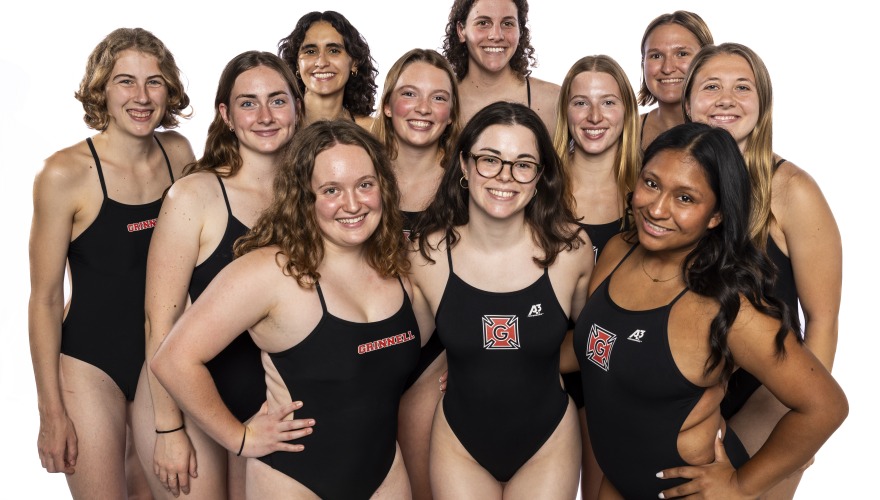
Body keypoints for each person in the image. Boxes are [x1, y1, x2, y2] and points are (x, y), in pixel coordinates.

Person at [151, 120, 425, 499]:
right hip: (295, 482)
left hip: (386, 478)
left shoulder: (398, 270)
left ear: (383, 187)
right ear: (303, 197)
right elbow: (173, 359)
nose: (352, 204)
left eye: (365, 184)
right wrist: (240, 439)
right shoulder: (271, 271)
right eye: (331, 190)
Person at [572, 122, 847, 499]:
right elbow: (597, 346)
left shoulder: (727, 308)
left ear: (715, 215)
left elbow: (826, 407)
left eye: (685, 198)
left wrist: (740, 484)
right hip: (617, 484)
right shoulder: (619, 251)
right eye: (651, 183)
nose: (656, 208)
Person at [27, 27, 194, 499]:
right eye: (125, 81)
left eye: (154, 82)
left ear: (169, 90)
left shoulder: (178, 153)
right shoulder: (64, 174)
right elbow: (43, 299)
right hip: (89, 362)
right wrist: (51, 412)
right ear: (101, 88)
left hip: (160, 356)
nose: (141, 97)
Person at [133, 51, 301, 499]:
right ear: (226, 115)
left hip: (266, 404)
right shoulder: (194, 196)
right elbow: (159, 324)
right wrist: (168, 430)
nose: (264, 116)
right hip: (186, 401)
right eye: (248, 103)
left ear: (297, 107)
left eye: (277, 101)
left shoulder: (313, 194)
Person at [409, 101, 593, 498]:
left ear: (540, 174)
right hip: (460, 443)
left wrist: (534, 357)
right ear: (464, 163)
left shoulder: (570, 249)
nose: (505, 178)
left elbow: (600, 342)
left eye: (523, 164)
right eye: (490, 159)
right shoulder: (428, 254)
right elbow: (396, 351)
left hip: (548, 442)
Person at [683, 42, 843, 499]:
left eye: (742, 87)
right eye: (711, 86)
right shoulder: (671, 186)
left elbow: (824, 317)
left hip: (769, 391)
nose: (726, 98)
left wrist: (806, 418)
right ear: (689, 101)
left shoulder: (793, 191)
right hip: (691, 388)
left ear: (763, 103)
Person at [372, 47, 461, 500]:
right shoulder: (358, 175)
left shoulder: (469, 185)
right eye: (409, 94)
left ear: (451, 114)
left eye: (438, 98)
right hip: (362, 352)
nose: (423, 109)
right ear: (387, 105)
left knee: (424, 489)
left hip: (435, 358)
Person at [551, 54, 640, 500]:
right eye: (581, 103)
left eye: (608, 102)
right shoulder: (537, 187)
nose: (594, 117)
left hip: (620, 367)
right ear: (565, 110)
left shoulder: (648, 187)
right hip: (546, 361)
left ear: (627, 110)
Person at [442, 0, 560, 133]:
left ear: (520, 31)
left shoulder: (554, 101)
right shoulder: (440, 102)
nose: (496, 35)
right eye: (483, 23)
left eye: (507, 23)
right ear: (461, 30)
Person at [277, 11, 378, 130]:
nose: (322, 63)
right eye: (310, 52)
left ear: (354, 63)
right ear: (297, 65)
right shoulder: (279, 129)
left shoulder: (374, 131)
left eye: (334, 51)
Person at [637, 10, 713, 151]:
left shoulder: (727, 126)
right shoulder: (626, 131)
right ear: (643, 63)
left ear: (706, 60)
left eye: (682, 54)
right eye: (656, 56)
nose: (667, 68)